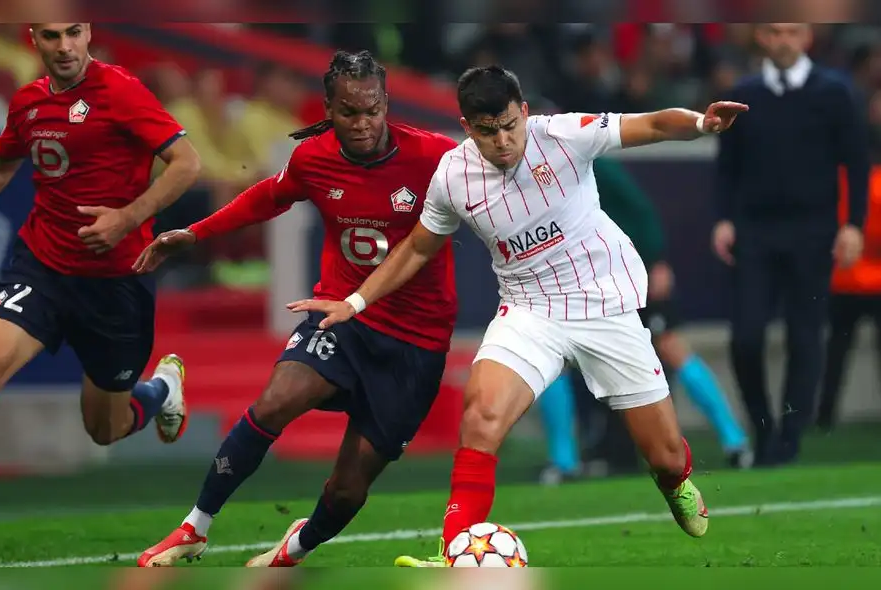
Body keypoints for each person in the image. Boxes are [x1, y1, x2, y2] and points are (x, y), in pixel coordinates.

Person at [290, 65, 748, 566]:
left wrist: (702, 123)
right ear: (467, 127)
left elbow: (654, 124)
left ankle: (676, 481)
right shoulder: (453, 175)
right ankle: (454, 551)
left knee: (663, 456)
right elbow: (418, 247)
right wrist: (355, 301)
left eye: (510, 125)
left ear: (525, 112)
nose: (503, 141)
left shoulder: (564, 135)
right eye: (488, 131)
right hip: (530, 310)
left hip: (604, 303)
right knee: (481, 416)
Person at [132, 50, 460, 568]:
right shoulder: (313, 158)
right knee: (275, 401)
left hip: (414, 342)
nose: (363, 123)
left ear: (385, 104)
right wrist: (195, 233)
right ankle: (195, 527)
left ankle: (297, 546)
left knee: (348, 488)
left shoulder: (436, 156)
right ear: (328, 109)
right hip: (340, 317)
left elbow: (497, 188)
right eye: (349, 112)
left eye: (372, 110)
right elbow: (267, 197)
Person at [0, 23, 201, 563]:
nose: (64, 47)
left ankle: (161, 390)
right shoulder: (28, 101)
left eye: (73, 34)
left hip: (115, 282)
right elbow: (0, 162)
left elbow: (187, 162)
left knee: (104, 428)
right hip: (42, 265)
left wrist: (128, 217)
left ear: (88, 34)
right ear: (33, 39)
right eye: (52, 36)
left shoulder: (121, 90)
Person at [538, 157, 752, 486]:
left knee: (670, 346)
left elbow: (640, 210)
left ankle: (734, 440)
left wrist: (656, 260)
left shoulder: (586, 161)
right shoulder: (524, 181)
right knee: (554, 359)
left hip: (631, 272)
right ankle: (564, 461)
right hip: (581, 284)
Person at [712, 23, 868, 466]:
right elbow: (726, 166)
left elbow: (856, 163)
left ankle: (789, 439)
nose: (784, 40)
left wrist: (853, 224)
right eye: (775, 32)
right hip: (755, 232)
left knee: (805, 337)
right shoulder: (743, 95)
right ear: (761, 37)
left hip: (813, 231)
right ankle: (763, 428)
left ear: (807, 37)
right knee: (746, 336)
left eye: (792, 32)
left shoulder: (834, 93)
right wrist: (723, 219)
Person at [817, 168, 881, 430]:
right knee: (837, 351)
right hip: (860, 280)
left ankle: (825, 415)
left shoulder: (841, 178)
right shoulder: (869, 183)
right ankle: (825, 413)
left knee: (836, 351)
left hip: (846, 277)